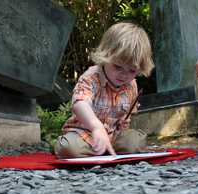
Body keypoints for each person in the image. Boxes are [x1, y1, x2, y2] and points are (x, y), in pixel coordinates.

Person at [54, 22, 154, 158]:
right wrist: (96, 127)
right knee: (69, 148)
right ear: (105, 57)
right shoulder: (91, 77)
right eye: (118, 67)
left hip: (113, 136)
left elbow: (126, 115)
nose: (124, 75)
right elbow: (80, 104)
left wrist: (123, 122)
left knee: (135, 142)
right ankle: (98, 149)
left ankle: (106, 149)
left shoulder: (132, 85)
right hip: (84, 134)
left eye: (132, 70)